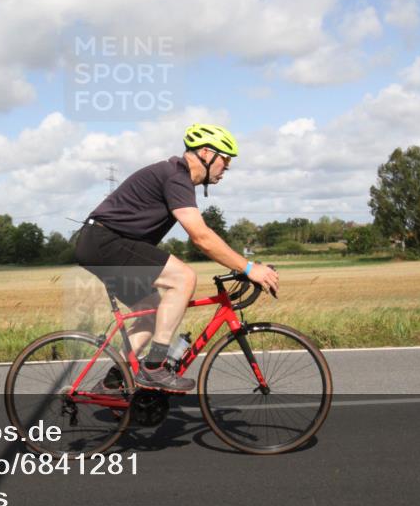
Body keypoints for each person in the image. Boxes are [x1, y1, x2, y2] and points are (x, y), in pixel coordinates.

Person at [74, 123, 279, 393]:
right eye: (225, 160)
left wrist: (242, 265)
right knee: (183, 278)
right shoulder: (176, 176)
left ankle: (112, 384)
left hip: (100, 243)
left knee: (151, 314)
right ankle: (154, 367)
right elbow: (201, 237)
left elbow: (203, 235)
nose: (227, 168)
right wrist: (249, 267)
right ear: (206, 153)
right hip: (107, 242)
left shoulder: (175, 176)